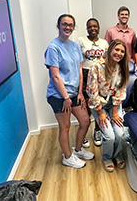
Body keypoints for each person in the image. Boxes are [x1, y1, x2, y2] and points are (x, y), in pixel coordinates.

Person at [44, 14, 94, 169]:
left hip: (74, 93)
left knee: (85, 121)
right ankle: (68, 157)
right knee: (65, 127)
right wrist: (66, 97)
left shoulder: (74, 46)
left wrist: (80, 92)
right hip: (59, 96)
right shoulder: (53, 47)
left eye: (71, 25)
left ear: (74, 27)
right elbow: (55, 75)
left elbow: (79, 70)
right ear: (58, 25)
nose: (67, 27)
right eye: (64, 24)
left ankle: (78, 150)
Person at [87, 39, 129, 172]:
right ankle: (107, 157)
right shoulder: (96, 67)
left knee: (120, 134)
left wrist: (115, 111)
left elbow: (121, 90)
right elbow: (91, 91)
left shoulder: (120, 67)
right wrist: (100, 112)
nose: (119, 53)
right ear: (110, 49)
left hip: (114, 103)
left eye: (122, 51)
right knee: (109, 136)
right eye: (117, 49)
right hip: (98, 104)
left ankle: (117, 155)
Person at [78, 18, 108, 147]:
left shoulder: (104, 43)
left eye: (95, 26)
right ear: (87, 28)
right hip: (85, 75)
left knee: (98, 104)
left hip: (100, 76)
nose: (92, 29)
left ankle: (97, 131)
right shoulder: (81, 41)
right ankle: (83, 133)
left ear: (99, 28)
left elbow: (106, 61)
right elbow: (78, 62)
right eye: (90, 27)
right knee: (85, 106)